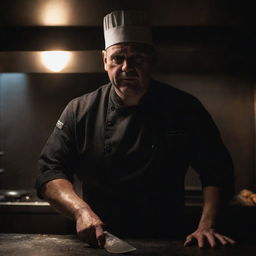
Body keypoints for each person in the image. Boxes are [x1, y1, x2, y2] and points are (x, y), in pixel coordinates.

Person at [36, 10, 236, 249]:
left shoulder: (184, 108)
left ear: (152, 59)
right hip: (98, 241)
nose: (126, 68)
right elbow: (50, 171)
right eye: (117, 58)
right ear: (104, 60)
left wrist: (207, 225)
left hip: (167, 240)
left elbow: (217, 170)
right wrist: (80, 211)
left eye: (137, 59)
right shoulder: (79, 110)